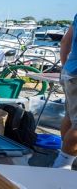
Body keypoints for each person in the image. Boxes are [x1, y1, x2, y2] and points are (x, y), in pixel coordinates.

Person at [54, 18, 77, 169]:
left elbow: (64, 42)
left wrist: (64, 67)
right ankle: (61, 166)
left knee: (70, 116)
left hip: (70, 72)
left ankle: (65, 156)